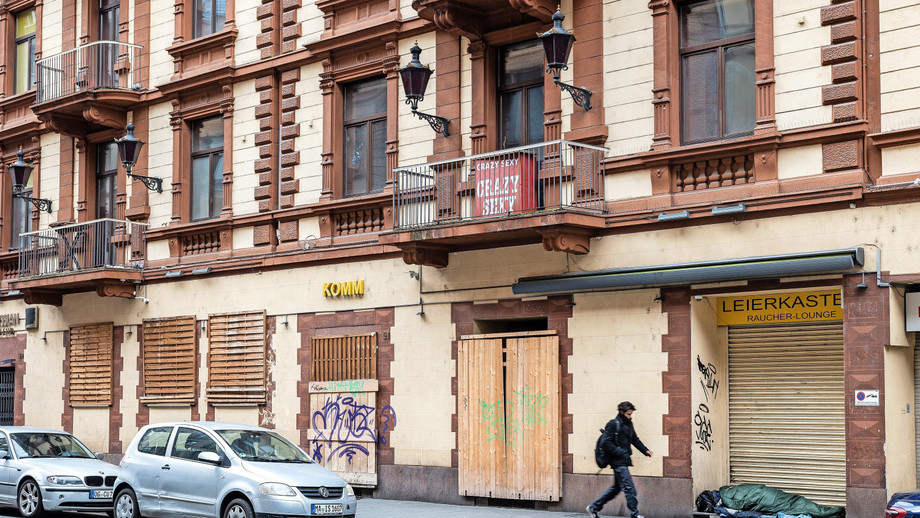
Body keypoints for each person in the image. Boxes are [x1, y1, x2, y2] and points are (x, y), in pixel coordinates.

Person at [587, 401, 652, 518]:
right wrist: (621, 452)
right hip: (617, 462)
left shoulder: (628, 424)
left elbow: (635, 439)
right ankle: (634, 514)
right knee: (629, 488)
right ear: (621, 412)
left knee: (616, 488)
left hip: (623, 461)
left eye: (631, 414)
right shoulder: (613, 424)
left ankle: (594, 507)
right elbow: (605, 443)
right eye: (628, 414)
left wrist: (645, 450)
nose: (630, 416)